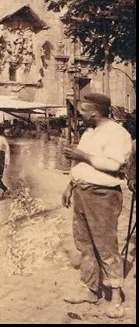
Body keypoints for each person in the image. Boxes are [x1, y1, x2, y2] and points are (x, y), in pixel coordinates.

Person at [62, 93, 133, 319]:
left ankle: (115, 297)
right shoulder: (89, 132)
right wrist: (70, 185)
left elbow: (114, 164)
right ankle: (91, 289)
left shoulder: (117, 133)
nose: (80, 114)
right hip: (82, 192)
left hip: (103, 195)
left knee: (106, 245)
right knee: (84, 244)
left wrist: (81, 154)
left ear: (94, 111)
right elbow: (81, 164)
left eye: (83, 110)